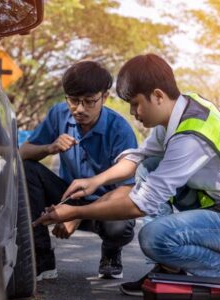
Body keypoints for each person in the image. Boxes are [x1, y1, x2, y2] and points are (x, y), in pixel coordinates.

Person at [33, 54, 220, 296]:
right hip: (219, 209)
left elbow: (142, 204)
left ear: (158, 96)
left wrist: (75, 212)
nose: (133, 112)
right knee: (149, 165)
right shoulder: (182, 109)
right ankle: (167, 268)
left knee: (154, 238)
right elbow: (138, 157)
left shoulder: (190, 137)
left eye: (136, 103)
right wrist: (94, 181)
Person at [20, 60, 138, 281]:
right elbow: (23, 152)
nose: (80, 109)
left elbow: (128, 190)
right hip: (68, 196)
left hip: (106, 204)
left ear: (104, 97)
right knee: (27, 170)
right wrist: (49, 147)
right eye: (73, 100)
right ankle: (42, 259)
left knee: (119, 228)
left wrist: (76, 215)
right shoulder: (59, 114)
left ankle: (111, 252)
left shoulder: (120, 129)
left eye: (89, 101)